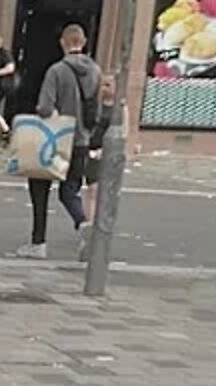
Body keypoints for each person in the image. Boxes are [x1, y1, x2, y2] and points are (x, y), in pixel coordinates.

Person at [15, 23, 100, 259]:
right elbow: (97, 110)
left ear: (63, 42)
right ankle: (83, 223)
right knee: (70, 190)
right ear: (83, 42)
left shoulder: (57, 71)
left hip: (56, 140)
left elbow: (44, 107)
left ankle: (38, 242)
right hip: (81, 140)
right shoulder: (95, 70)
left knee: (39, 188)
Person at [81, 74, 128, 259]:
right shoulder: (95, 105)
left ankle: (102, 225)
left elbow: (124, 131)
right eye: (102, 85)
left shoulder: (120, 107)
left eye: (108, 85)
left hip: (108, 153)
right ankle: (90, 224)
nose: (104, 89)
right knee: (92, 189)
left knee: (105, 191)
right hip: (91, 152)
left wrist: (116, 150)